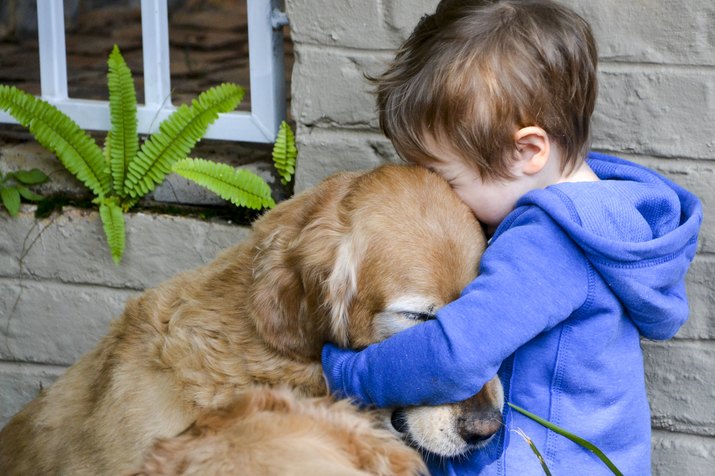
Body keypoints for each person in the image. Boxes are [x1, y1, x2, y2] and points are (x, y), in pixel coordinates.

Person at [320, 0, 703, 474]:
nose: (441, 196)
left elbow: (453, 355)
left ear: (528, 151)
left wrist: (345, 374)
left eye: (447, 178)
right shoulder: (604, 216)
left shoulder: (549, 244)